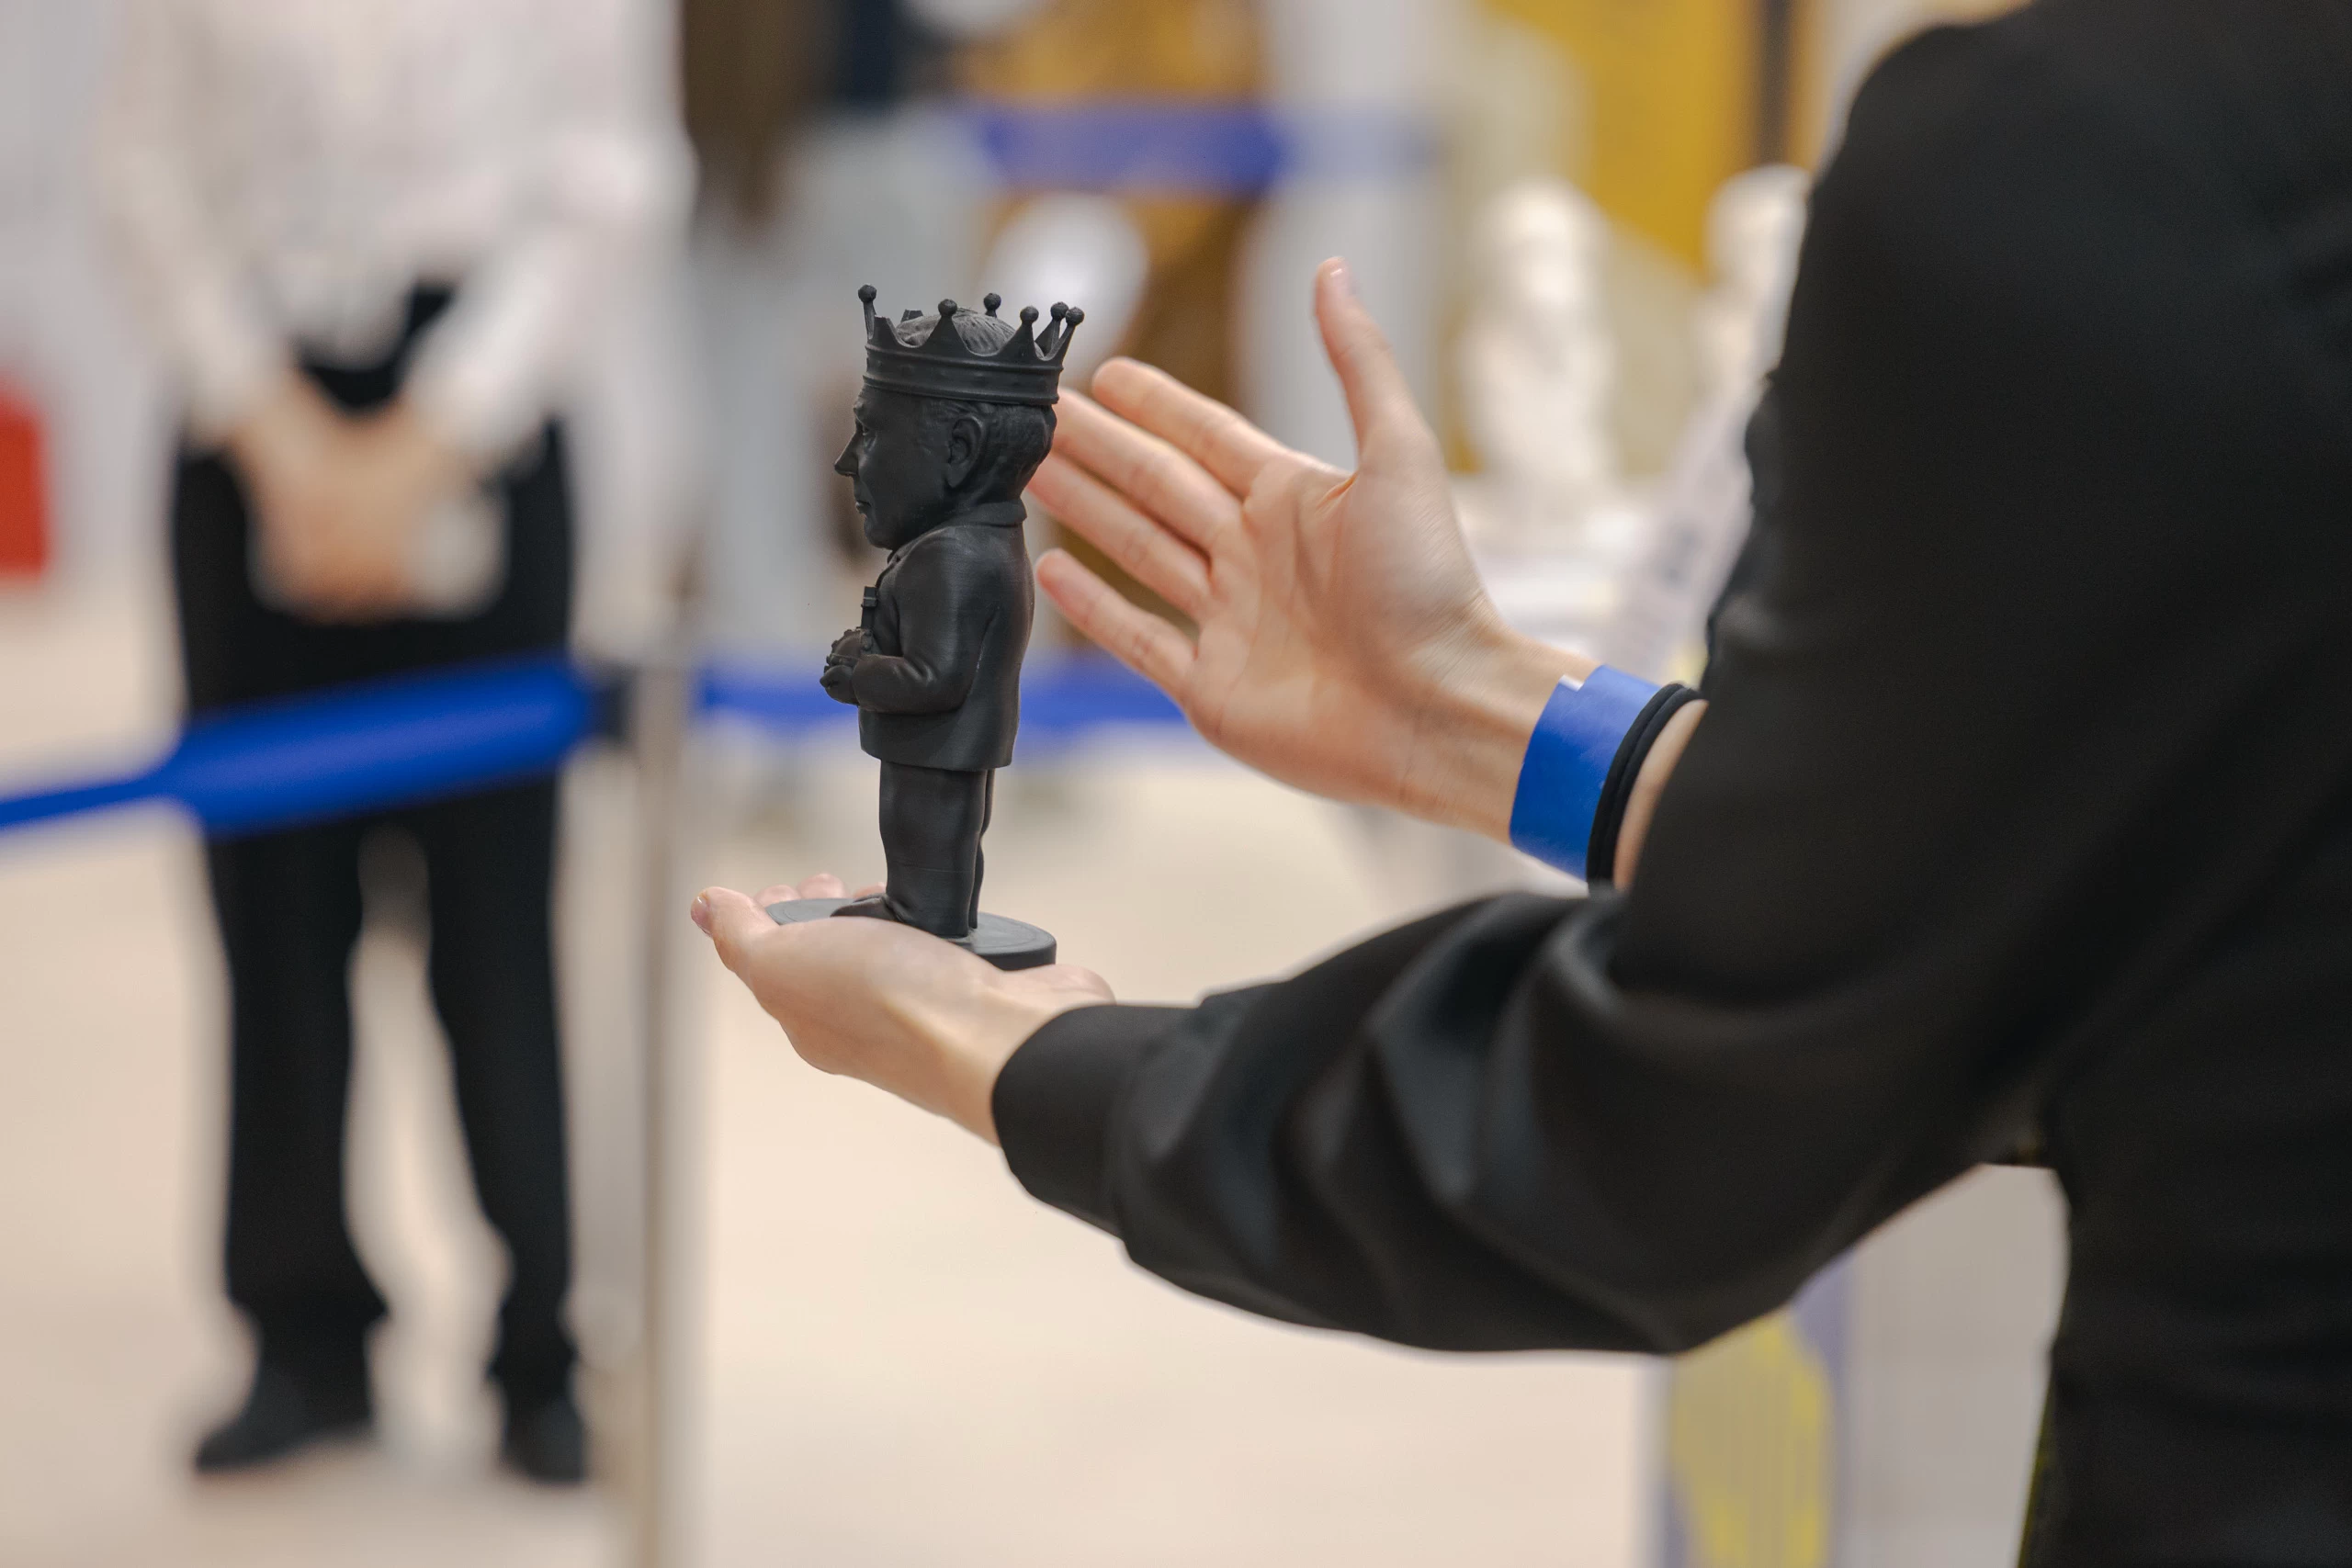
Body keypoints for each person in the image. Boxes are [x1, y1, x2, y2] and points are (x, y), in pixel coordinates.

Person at [692, 3, 2352, 1558]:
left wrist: (1019, 1054)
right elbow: (2075, 864)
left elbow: (1694, 1105)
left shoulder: (2104, 172)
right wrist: (1483, 710)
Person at [98, 0, 687, 1481]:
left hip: (483, 401)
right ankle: (303, 1333)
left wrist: (434, 434)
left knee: (497, 922)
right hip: (254, 412)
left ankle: (541, 1343)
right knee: (269, 916)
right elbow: (142, 167)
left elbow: (612, 178)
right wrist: (278, 433)